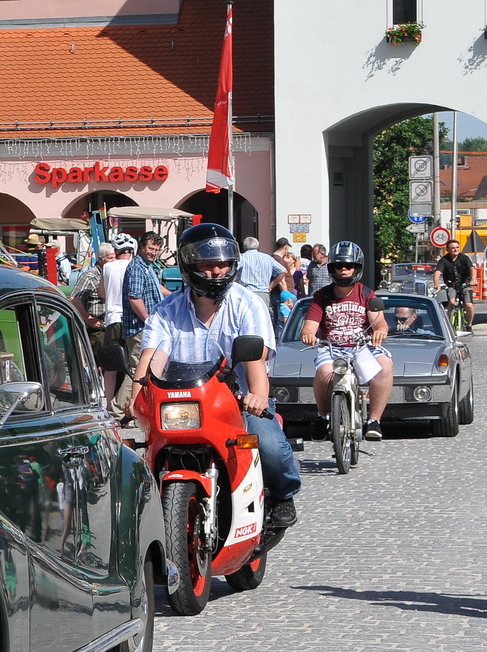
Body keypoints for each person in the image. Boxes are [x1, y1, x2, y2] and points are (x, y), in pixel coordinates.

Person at [134, 223, 302, 536]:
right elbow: (151, 359)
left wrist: (258, 398)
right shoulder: (165, 311)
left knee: (266, 441)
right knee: (134, 455)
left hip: (235, 403)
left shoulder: (247, 304)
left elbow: (255, 363)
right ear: (189, 266)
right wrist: (135, 399)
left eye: (223, 264)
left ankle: (282, 494)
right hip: (183, 406)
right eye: (208, 265)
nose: (217, 271)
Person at [300, 242, 393, 440]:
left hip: (361, 348)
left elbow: (380, 323)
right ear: (331, 268)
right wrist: (308, 335)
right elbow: (309, 326)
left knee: (385, 365)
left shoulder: (367, 294)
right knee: (324, 372)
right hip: (332, 349)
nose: (344, 270)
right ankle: (323, 416)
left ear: (357, 268)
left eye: (349, 266)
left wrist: (380, 332)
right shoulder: (321, 296)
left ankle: (374, 420)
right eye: (339, 266)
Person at [115, 231, 168, 418]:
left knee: (141, 368)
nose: (154, 253)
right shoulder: (137, 267)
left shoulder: (147, 267)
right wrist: (148, 321)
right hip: (139, 327)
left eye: (157, 250)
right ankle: (118, 409)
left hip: (144, 326)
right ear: (142, 247)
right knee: (138, 369)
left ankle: (127, 409)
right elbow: (134, 297)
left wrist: (176, 295)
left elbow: (156, 288)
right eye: (151, 248)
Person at [433, 239, 476, 327]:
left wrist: (473, 279)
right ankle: (448, 325)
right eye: (453, 248)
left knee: (469, 305)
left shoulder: (464, 258)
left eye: (457, 247)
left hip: (465, 285)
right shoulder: (444, 260)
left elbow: (472, 269)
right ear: (448, 250)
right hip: (452, 285)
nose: (456, 249)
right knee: (451, 303)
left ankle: (469, 324)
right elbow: (438, 272)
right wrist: (437, 284)